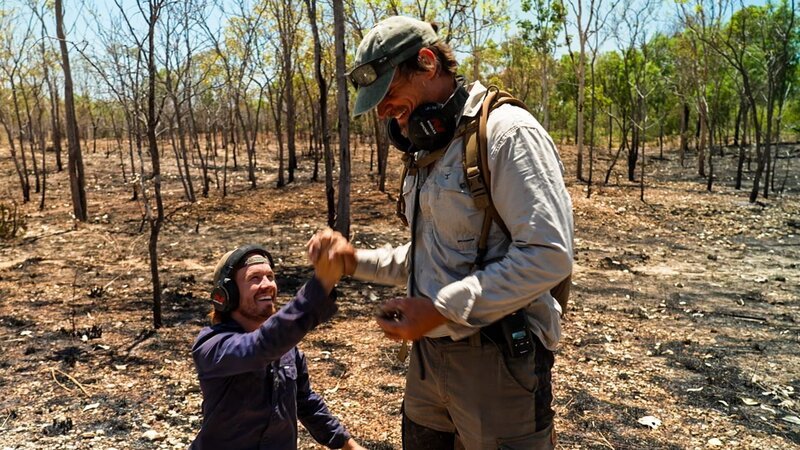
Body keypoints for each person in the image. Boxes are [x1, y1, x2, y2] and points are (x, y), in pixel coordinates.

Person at [309, 15, 574, 450]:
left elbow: (548, 255)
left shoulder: (507, 134)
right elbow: (434, 254)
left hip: (499, 362)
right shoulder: (429, 146)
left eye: (389, 93)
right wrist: (354, 262)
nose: (383, 111)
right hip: (428, 364)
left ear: (428, 63)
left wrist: (443, 309)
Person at [191, 242, 365, 450]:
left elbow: (305, 401)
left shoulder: (287, 349)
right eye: (254, 278)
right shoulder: (213, 344)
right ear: (228, 293)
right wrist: (321, 284)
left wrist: (349, 446)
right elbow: (259, 347)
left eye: (270, 277)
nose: (267, 285)